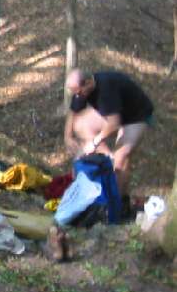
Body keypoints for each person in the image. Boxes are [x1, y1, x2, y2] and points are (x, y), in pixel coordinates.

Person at [64, 68, 154, 197]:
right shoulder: (81, 91)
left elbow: (114, 124)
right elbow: (73, 111)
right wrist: (67, 136)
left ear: (88, 83)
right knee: (80, 125)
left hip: (136, 116)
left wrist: (94, 142)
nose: (77, 96)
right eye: (74, 93)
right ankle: (109, 158)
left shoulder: (106, 90)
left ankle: (119, 200)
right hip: (114, 113)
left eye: (78, 92)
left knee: (121, 157)